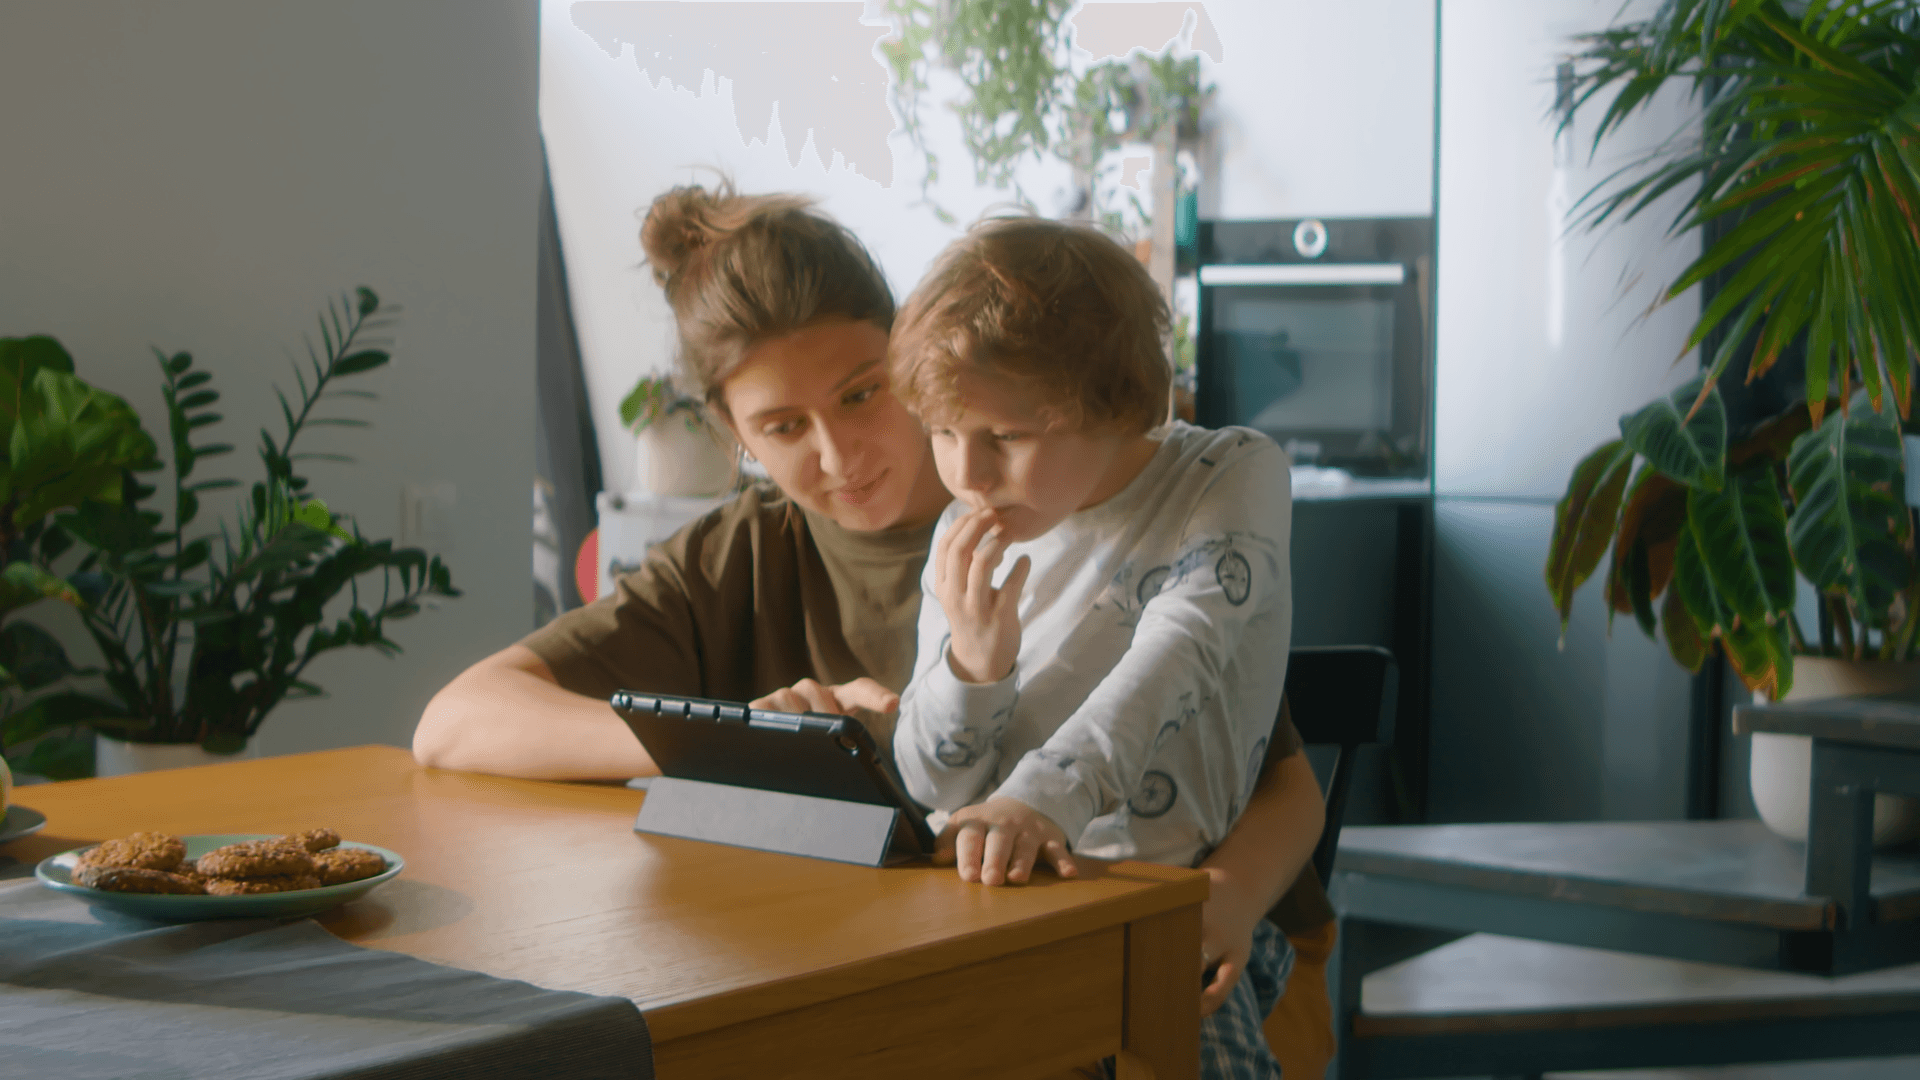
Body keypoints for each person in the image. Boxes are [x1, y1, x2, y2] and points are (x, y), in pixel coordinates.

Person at [409, 182, 1333, 1068]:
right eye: (782, 427)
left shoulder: (1090, 505)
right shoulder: (743, 553)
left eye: (861, 394)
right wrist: (741, 742)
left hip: (1197, 946)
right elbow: (456, 722)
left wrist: (1224, 898)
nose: (840, 455)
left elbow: (1282, 784)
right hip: (925, 959)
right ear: (735, 434)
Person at [886, 215, 1294, 1077]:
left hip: (1156, 908)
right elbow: (930, 783)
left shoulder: (1230, 474)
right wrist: (974, 665)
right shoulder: (965, 531)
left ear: (1116, 403)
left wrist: (1039, 801)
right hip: (983, 908)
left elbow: (1176, 655)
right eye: (944, 432)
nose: (967, 475)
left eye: (1006, 437)